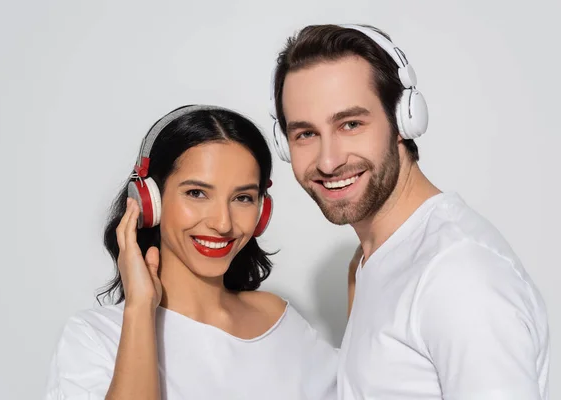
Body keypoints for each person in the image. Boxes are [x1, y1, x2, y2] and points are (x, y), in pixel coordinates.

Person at [270, 24, 550, 399]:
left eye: (350, 124)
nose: (328, 160)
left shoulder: (458, 276)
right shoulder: (376, 261)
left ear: (404, 120)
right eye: (305, 133)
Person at [44, 105, 338, 400]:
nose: (223, 223)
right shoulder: (95, 337)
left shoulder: (277, 319)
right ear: (149, 201)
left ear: (262, 209)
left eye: (243, 197)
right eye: (197, 193)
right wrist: (140, 309)